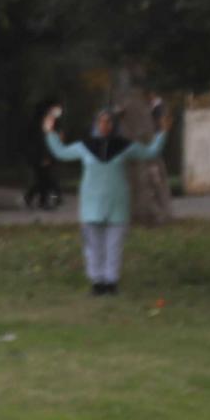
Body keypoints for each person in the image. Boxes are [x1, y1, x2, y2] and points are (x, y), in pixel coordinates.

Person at [43, 103, 172, 295]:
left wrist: (163, 132)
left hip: (117, 203)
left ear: (114, 124)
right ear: (95, 124)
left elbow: (150, 152)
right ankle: (97, 282)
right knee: (93, 245)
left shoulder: (125, 147)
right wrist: (50, 132)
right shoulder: (85, 147)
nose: (104, 125)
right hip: (91, 203)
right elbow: (61, 153)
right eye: (101, 121)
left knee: (113, 245)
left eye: (108, 121)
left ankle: (111, 282)